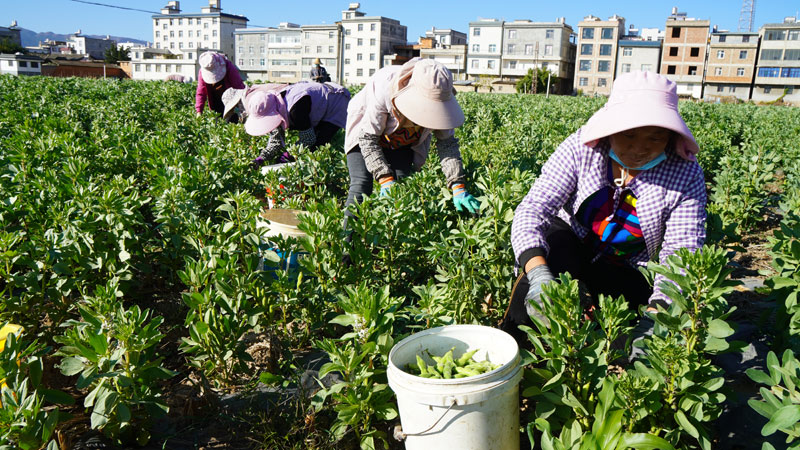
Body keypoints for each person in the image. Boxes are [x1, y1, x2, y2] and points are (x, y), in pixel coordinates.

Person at [502, 71, 706, 345]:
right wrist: (539, 275)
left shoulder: (685, 172)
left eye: (655, 138)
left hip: (629, 264)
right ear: (610, 129)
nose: (639, 149)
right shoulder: (582, 148)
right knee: (539, 276)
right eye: (629, 135)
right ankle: (518, 350)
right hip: (571, 243)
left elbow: (682, 252)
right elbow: (534, 208)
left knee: (622, 333)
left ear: (670, 136)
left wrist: (659, 312)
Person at [343, 57, 481, 231]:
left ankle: (387, 246)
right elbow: (368, 140)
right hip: (366, 130)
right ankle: (347, 252)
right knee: (361, 186)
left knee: (402, 188)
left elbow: (447, 145)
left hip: (403, 140)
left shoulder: (441, 96)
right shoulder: (386, 86)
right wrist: (384, 179)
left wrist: (457, 185)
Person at [240, 81, 351, 165]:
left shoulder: (296, 111)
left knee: (318, 145)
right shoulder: (274, 105)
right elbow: (276, 142)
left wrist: (288, 155)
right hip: (317, 102)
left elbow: (309, 139)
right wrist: (261, 158)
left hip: (336, 101)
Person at [195, 51, 245, 119]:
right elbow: (201, 93)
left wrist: (242, 109)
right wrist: (199, 111)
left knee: (232, 121)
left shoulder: (229, 67)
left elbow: (240, 88)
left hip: (232, 102)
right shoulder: (203, 71)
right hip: (215, 102)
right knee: (217, 121)